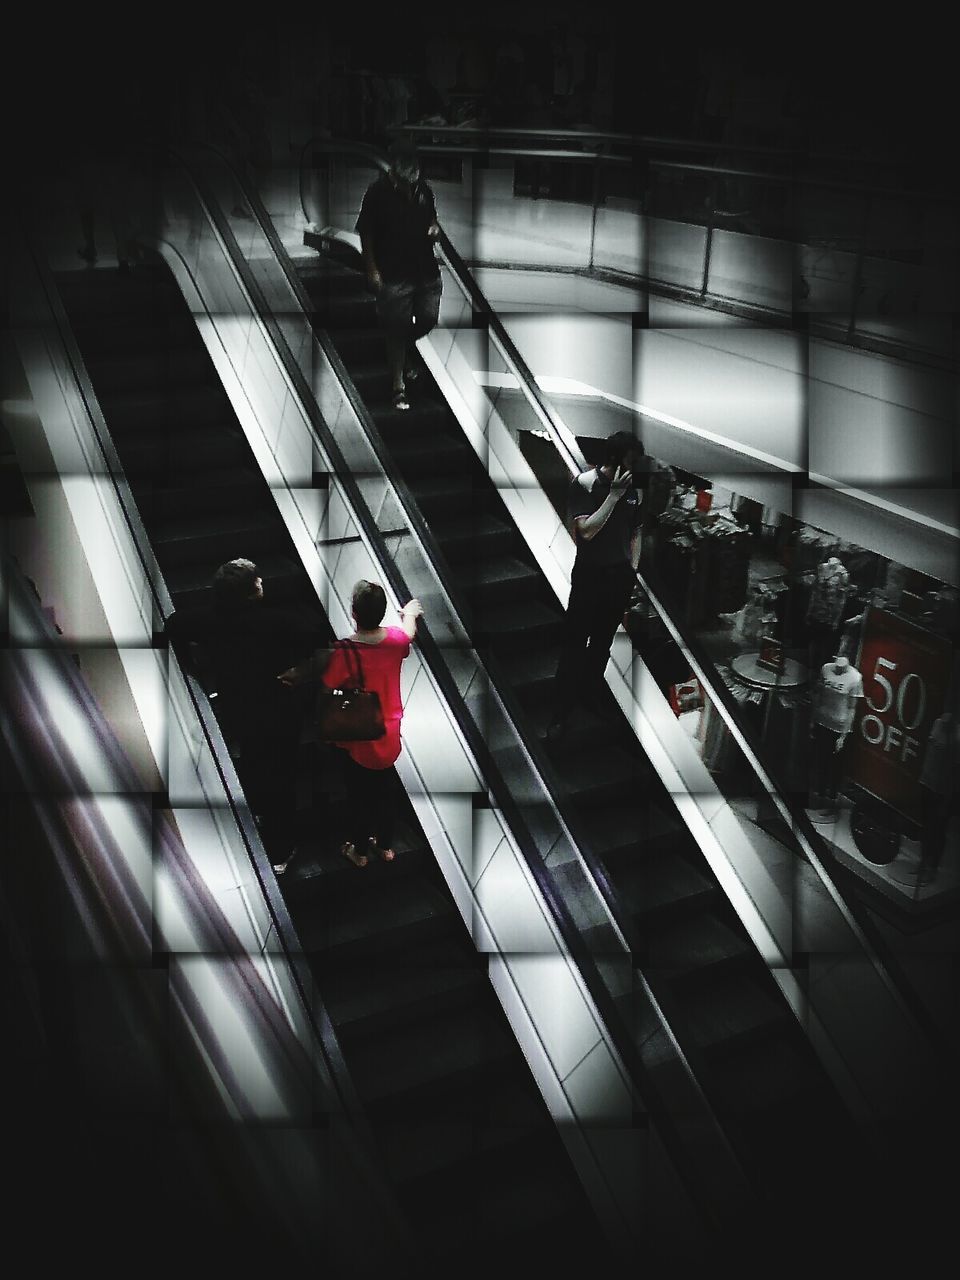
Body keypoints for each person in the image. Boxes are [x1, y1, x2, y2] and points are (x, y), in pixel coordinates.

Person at [166, 558, 325, 874]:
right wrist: (303, 671)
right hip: (279, 711)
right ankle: (280, 849)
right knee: (283, 776)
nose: (262, 583)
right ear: (251, 593)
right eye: (257, 581)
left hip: (241, 710)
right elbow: (318, 638)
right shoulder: (278, 622)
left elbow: (173, 625)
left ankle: (259, 815)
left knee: (253, 761)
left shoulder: (209, 620)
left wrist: (193, 669)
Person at [547, 431, 647, 742]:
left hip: (618, 577)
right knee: (575, 643)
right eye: (631, 461)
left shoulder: (636, 491)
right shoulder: (586, 483)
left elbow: (637, 530)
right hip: (590, 574)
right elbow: (585, 531)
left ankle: (590, 696)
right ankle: (560, 712)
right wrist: (613, 497)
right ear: (617, 461)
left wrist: (633, 569)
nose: (636, 468)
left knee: (602, 643)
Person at [322, 581, 422, 867]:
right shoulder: (394, 641)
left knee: (359, 797)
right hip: (389, 733)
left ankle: (361, 852)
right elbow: (408, 635)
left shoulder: (344, 651)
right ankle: (387, 846)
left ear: (353, 613)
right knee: (385, 790)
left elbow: (330, 686)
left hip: (361, 734)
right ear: (383, 613)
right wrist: (411, 614)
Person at [356, 138, 442, 412]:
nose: (414, 179)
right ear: (395, 170)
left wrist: (434, 228)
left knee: (428, 319)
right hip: (393, 273)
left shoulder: (423, 191)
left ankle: (404, 354)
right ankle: (398, 387)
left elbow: (432, 219)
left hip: (425, 271)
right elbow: (366, 233)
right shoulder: (377, 193)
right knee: (395, 327)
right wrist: (372, 269)